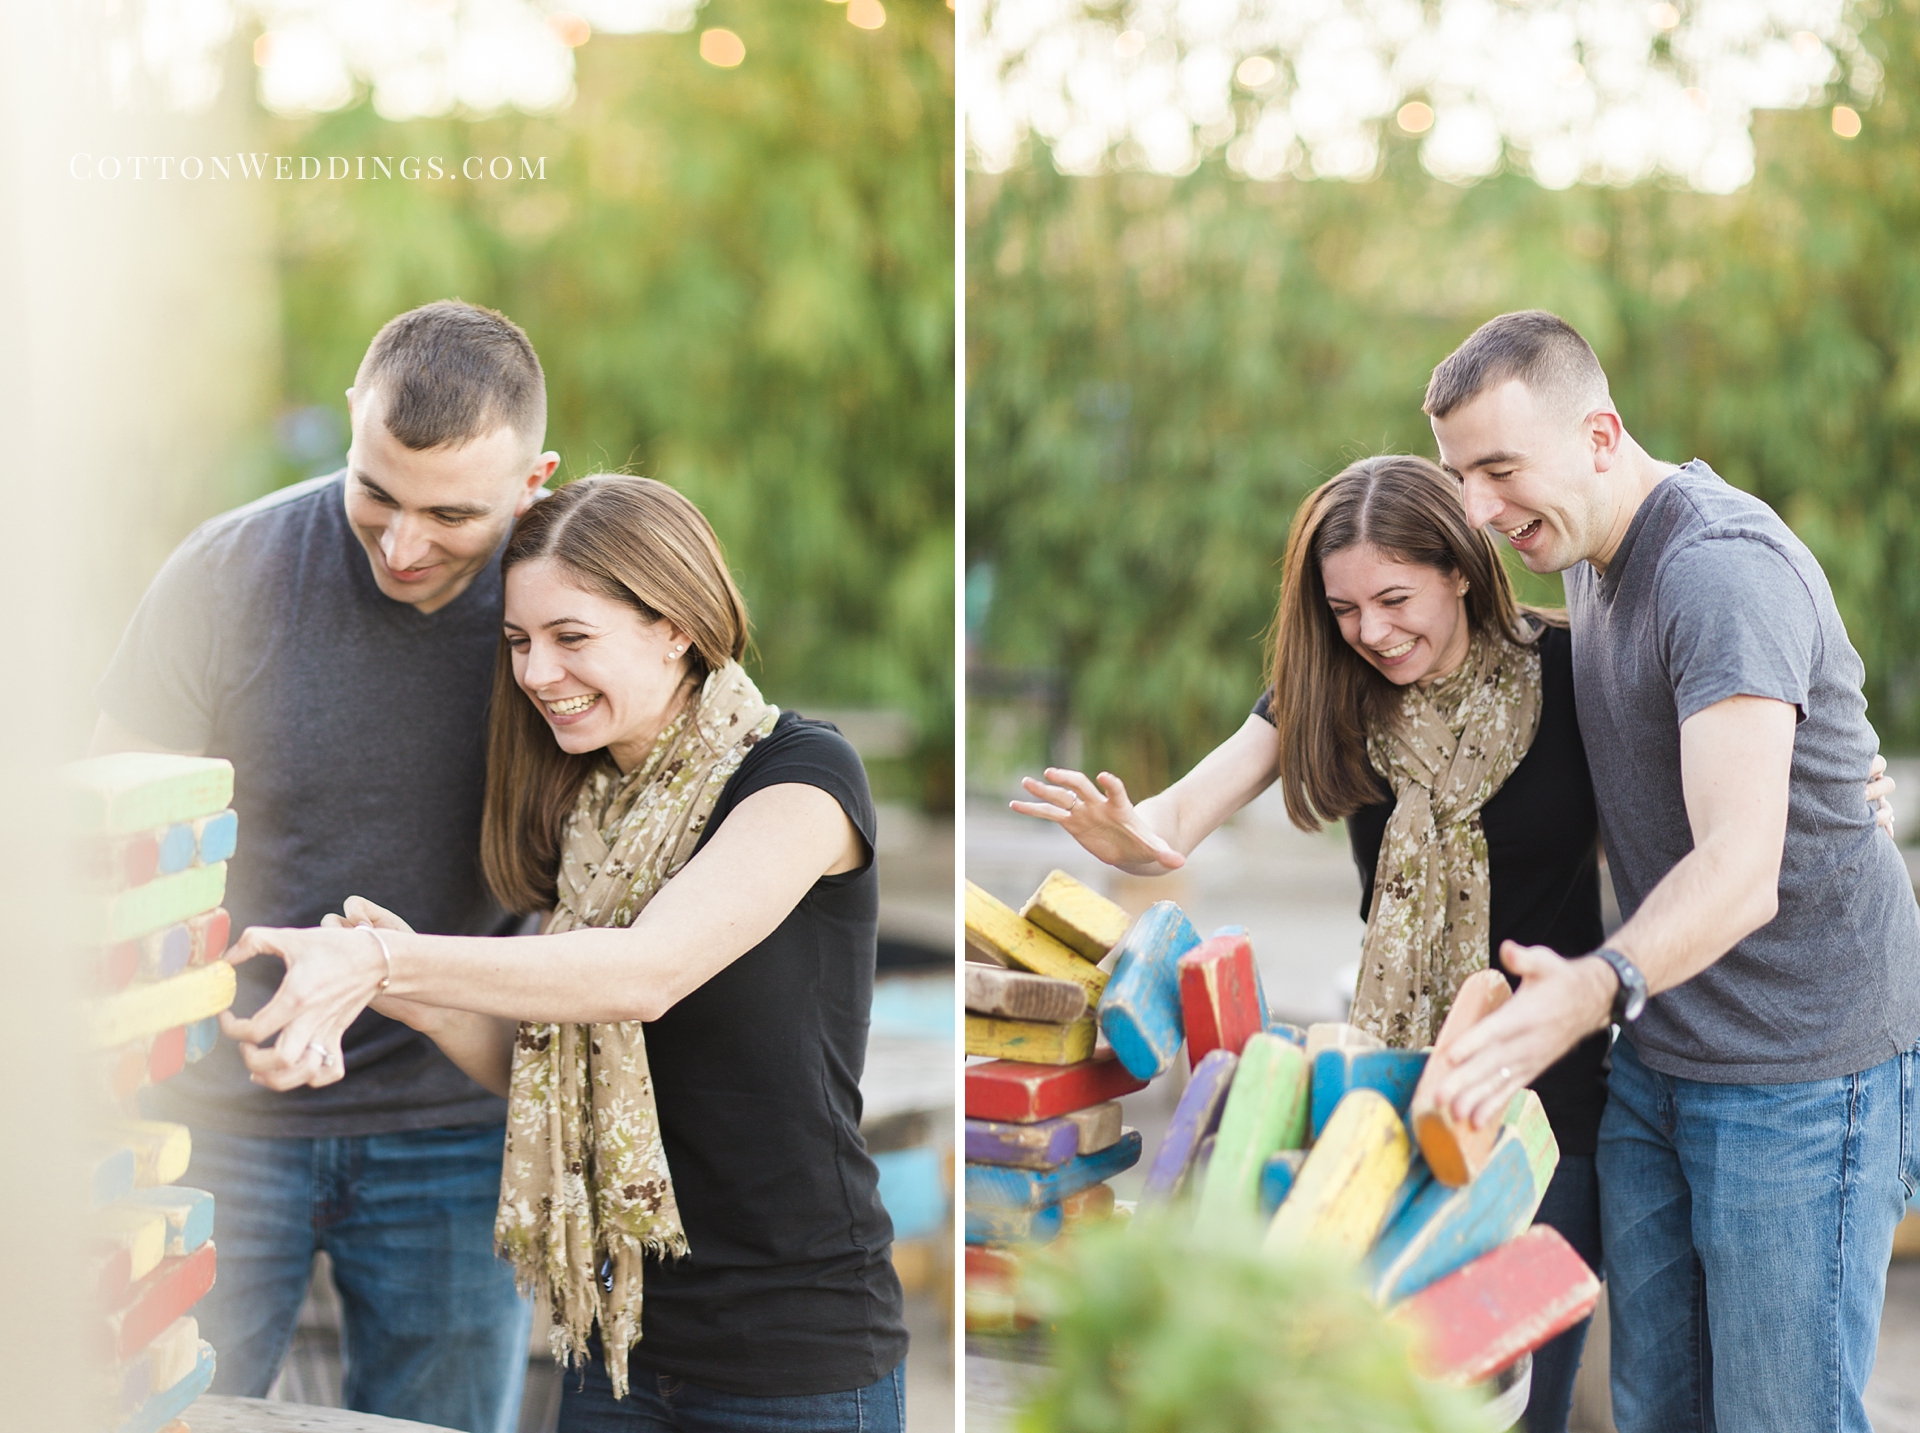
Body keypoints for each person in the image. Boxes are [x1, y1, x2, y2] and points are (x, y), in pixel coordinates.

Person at [217, 474, 909, 1433]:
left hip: (795, 1357)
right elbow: (537, 1058)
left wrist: (390, 966)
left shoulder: (801, 779)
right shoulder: (593, 815)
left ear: (676, 624)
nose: (537, 672)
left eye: (570, 637)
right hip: (617, 1342)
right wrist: (390, 974)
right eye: (518, 642)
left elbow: (643, 973)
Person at [1013, 453, 1610, 1430]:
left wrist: (1854, 781)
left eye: (1394, 597)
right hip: (1375, 1103)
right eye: (1344, 608)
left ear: (1460, 564)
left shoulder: (1577, 671)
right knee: (1373, 1403)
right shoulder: (1331, 686)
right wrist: (1135, 831)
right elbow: (1181, 810)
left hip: (1548, 1113)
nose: (1371, 631)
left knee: (1518, 1409)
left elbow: (1712, 768)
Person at [1420, 309, 1920, 1433]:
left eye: (1501, 468)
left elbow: (1743, 870)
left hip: (1803, 1068)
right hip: (1664, 1057)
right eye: (1463, 476)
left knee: (1778, 1416)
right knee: (1661, 1411)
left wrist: (1587, 990)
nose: (1482, 510)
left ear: (1600, 436)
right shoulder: (1590, 555)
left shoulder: (1718, 572)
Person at [92, 300, 559, 1431]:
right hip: (215, 1119)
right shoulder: (222, 574)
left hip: (452, 1127)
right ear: (352, 423)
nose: (403, 545)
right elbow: (110, 843)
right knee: (158, 1411)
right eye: (376, 494)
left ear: (535, 482)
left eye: (452, 515)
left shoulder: (567, 617)